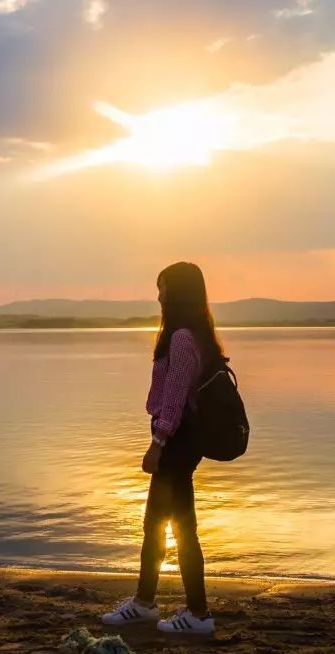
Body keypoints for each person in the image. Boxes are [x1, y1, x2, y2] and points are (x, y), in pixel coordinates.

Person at [102, 261, 225, 634]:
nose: (159, 295)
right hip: (180, 441)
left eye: (164, 287)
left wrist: (157, 443)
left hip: (176, 442)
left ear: (179, 291)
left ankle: (190, 613)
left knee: (173, 527)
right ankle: (151, 603)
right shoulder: (193, 334)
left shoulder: (183, 339)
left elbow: (173, 398)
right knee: (162, 524)